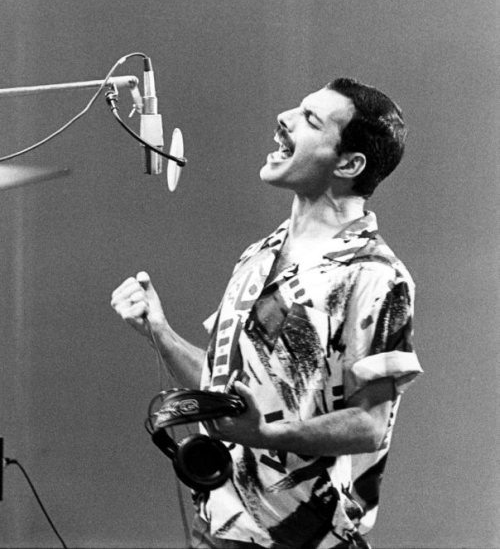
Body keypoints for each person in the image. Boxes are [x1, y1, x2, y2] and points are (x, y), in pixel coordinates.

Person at [110, 78, 423, 549]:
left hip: (308, 540)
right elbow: (224, 395)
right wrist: (160, 332)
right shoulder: (259, 254)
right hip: (219, 527)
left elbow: (369, 425)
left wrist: (265, 433)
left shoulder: (376, 275)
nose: (284, 117)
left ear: (349, 163)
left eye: (310, 119)